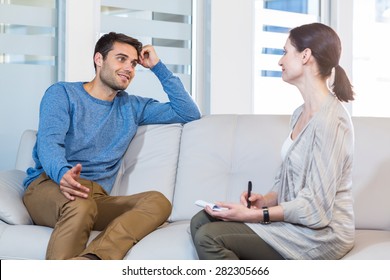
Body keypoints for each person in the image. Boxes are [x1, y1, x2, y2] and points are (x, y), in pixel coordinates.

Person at [22, 32, 201, 260]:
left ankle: (93, 260)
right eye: (121, 58)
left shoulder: (132, 107)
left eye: (134, 63)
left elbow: (188, 112)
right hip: (50, 186)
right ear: (99, 59)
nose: (129, 68)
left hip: (96, 198)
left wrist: (157, 67)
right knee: (80, 205)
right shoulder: (63, 93)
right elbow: (49, 142)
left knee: (157, 202)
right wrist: (62, 173)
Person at [190, 22, 355, 260]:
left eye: (285, 52)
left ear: (306, 55)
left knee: (209, 236)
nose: (280, 61)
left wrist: (255, 215)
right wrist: (263, 201)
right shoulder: (300, 113)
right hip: (296, 223)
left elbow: (316, 209)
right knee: (201, 220)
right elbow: (289, 180)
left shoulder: (332, 122)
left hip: (320, 235)